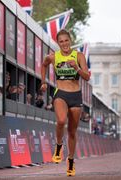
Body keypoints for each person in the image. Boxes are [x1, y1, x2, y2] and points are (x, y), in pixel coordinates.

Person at [40, 29, 90, 176]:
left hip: (75, 95)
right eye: (61, 41)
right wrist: (43, 82)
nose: (64, 44)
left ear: (70, 41)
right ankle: (59, 146)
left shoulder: (79, 56)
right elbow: (43, 65)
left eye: (66, 40)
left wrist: (76, 67)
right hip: (60, 93)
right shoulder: (53, 57)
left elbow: (86, 77)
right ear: (58, 43)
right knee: (61, 120)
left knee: (72, 132)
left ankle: (71, 161)